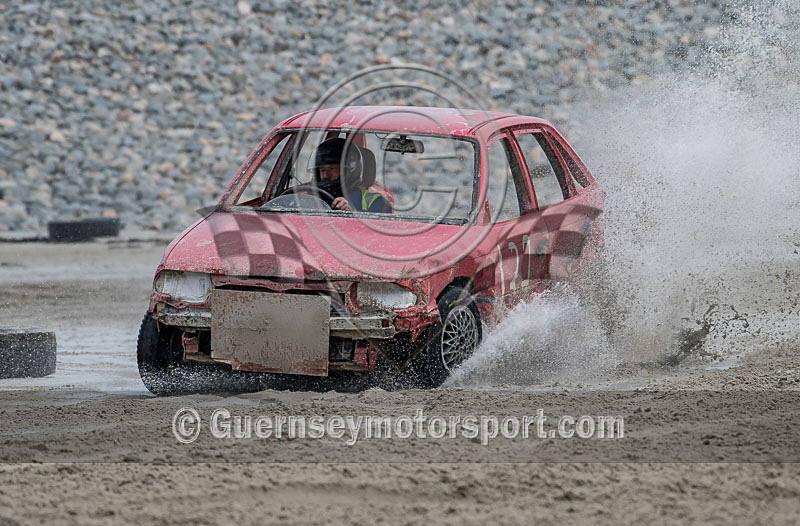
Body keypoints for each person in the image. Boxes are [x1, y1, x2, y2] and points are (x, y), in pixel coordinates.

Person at [307, 137, 391, 213]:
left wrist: (351, 212)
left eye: (332, 169)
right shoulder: (311, 199)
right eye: (322, 170)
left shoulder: (377, 201)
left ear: (348, 170)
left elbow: (378, 227)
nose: (326, 175)